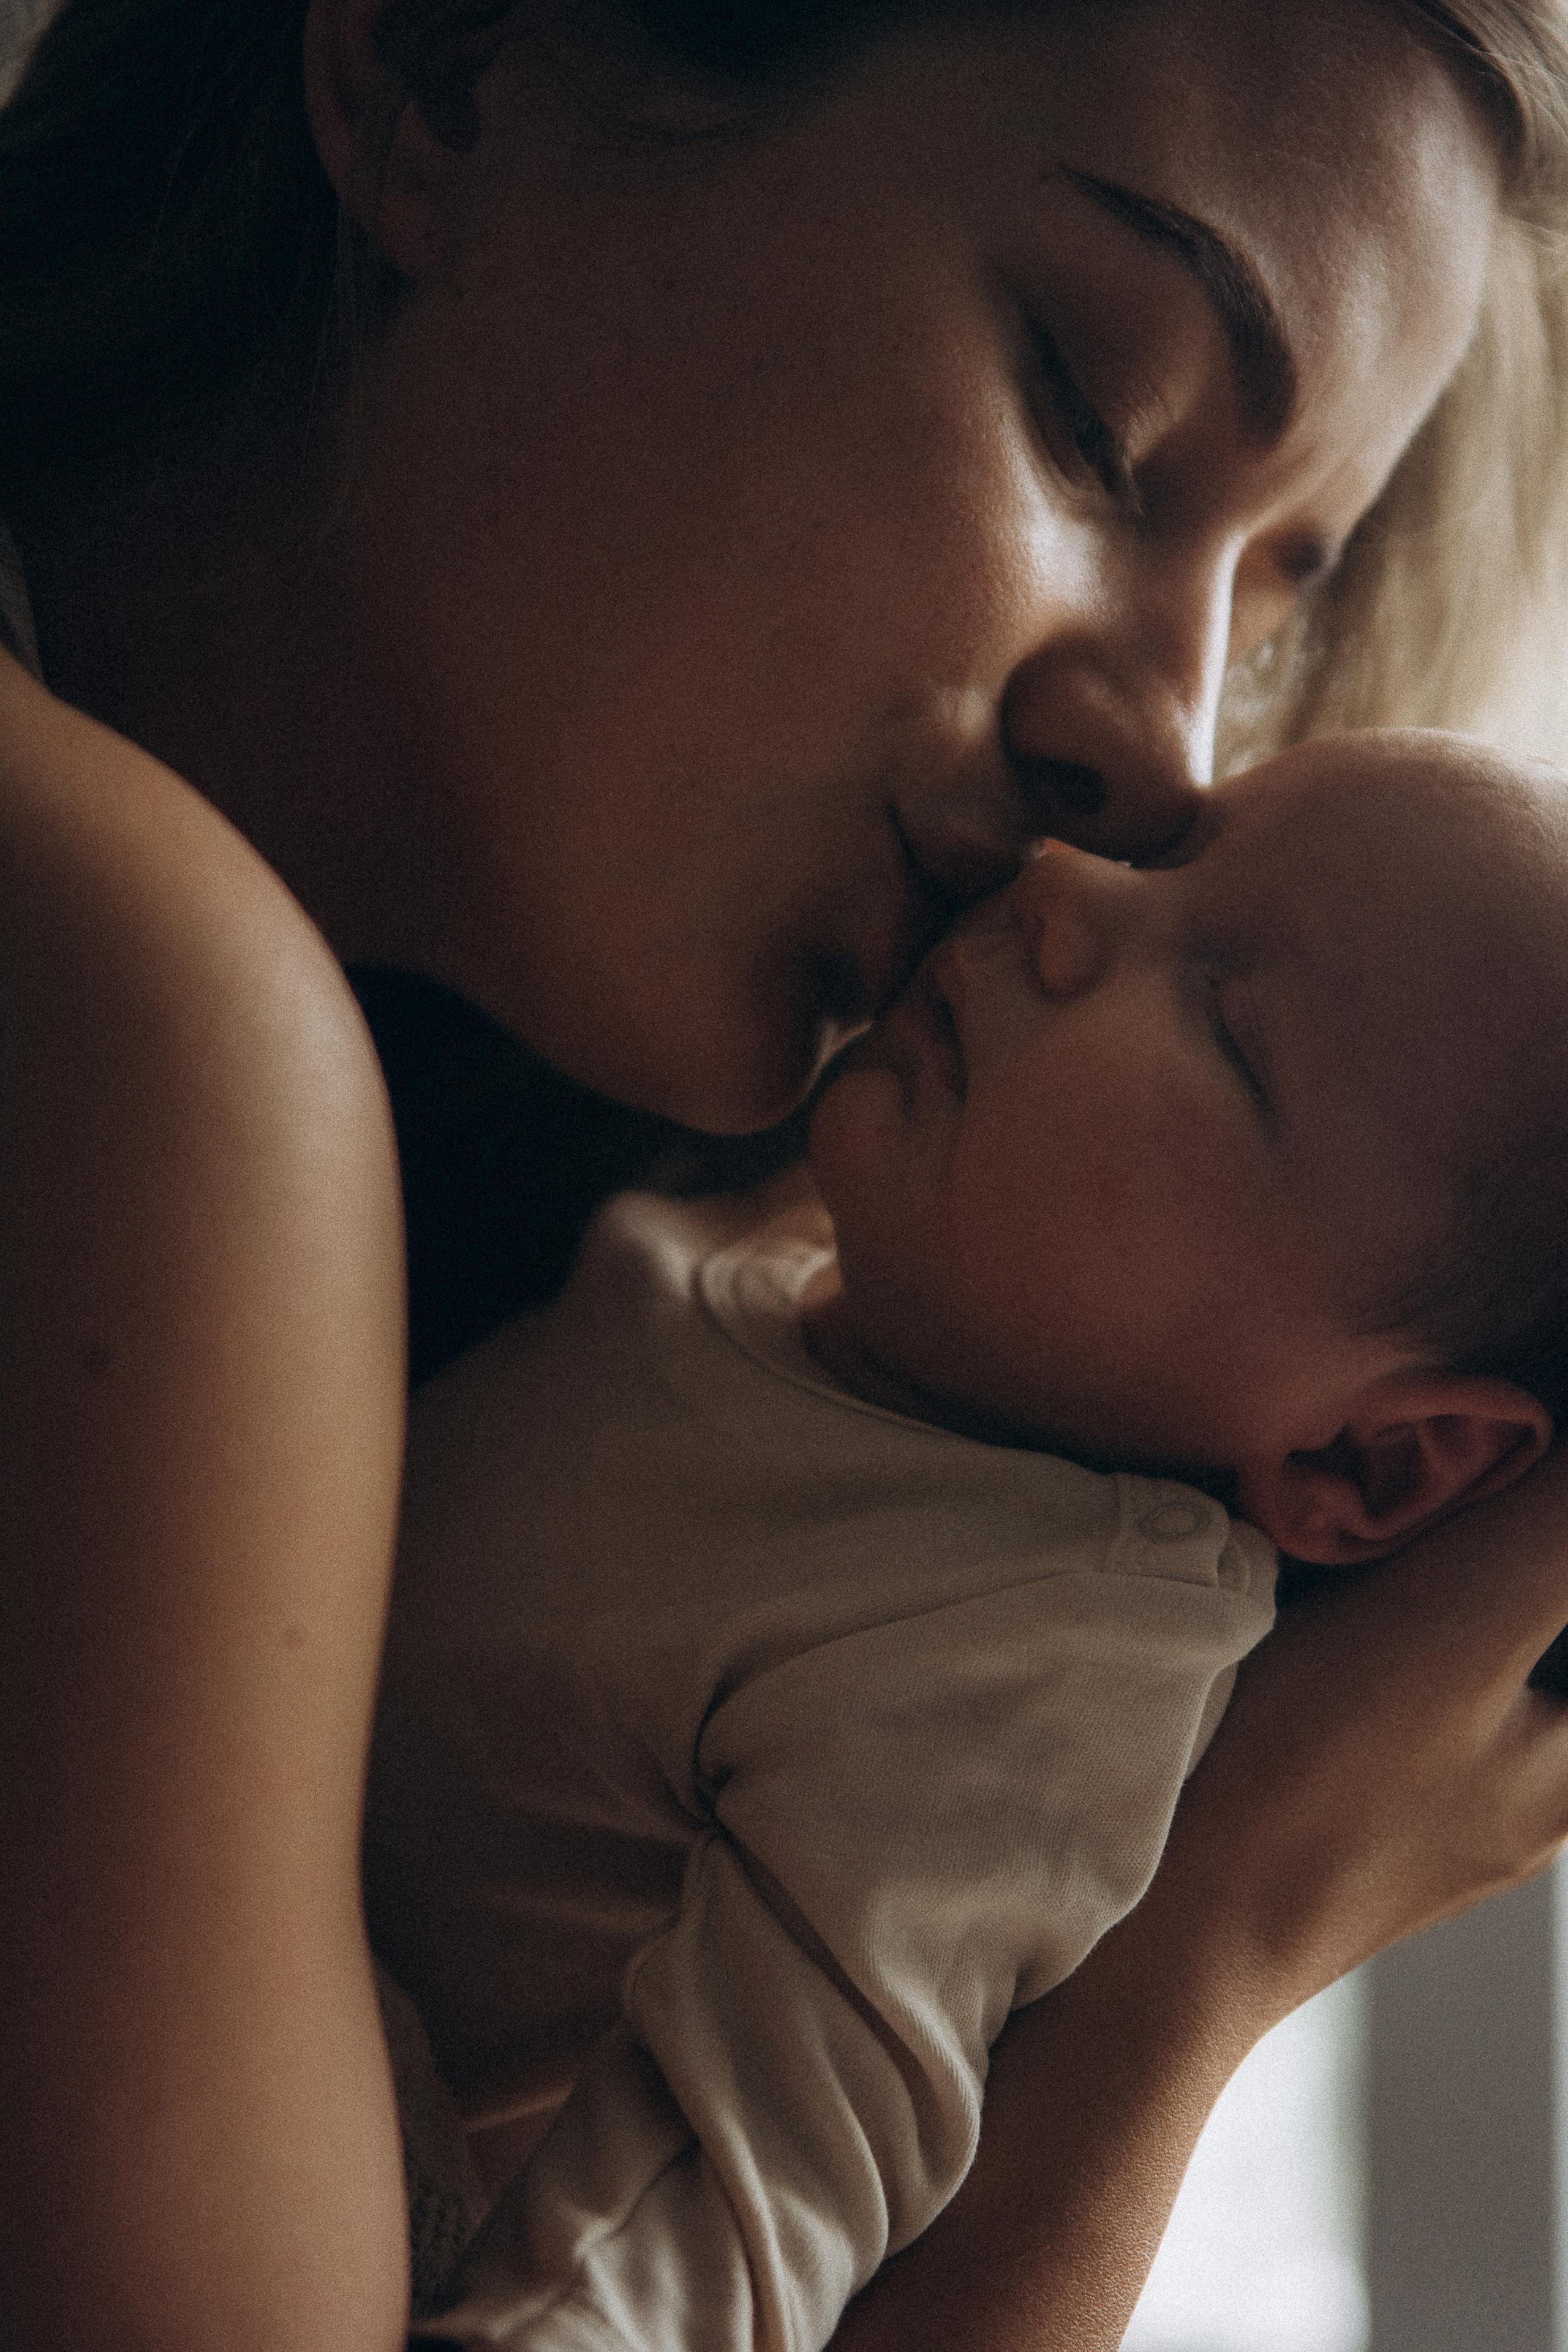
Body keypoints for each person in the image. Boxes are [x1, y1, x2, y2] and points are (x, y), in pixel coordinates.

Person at [7, 4, 1568, 2350]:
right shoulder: (145, 1022)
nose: (1147, 755)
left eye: (1270, 600)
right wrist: (1197, 1953)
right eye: (1093, 406)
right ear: (447, 72)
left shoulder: (601, 1360)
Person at [366, 728, 1568, 2351]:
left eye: (1225, 1018)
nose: (1064, 885)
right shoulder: (855, 1263)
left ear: (1371, 1461)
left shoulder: (1028, 1666)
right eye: (1176, 850)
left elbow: (725, 2230)